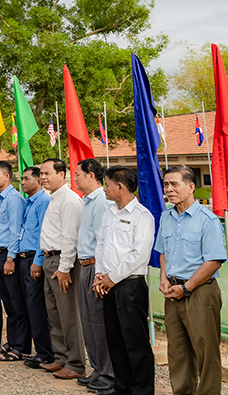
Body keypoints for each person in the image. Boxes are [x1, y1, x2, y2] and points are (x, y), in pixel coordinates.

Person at [156, 165, 226, 395]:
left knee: (205, 352)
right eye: (166, 184)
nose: (169, 189)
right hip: (173, 292)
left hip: (200, 293)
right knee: (177, 351)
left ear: (191, 186)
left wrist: (186, 288)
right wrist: (164, 277)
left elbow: (214, 260)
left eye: (174, 184)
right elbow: (163, 251)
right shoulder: (166, 217)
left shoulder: (207, 220)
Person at [94, 165, 155, 395]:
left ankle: (141, 390)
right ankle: (122, 388)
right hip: (107, 284)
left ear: (120, 187)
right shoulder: (109, 212)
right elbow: (101, 245)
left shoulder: (142, 216)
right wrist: (101, 275)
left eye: (107, 185)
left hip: (129, 286)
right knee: (116, 340)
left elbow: (139, 254)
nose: (105, 189)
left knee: (135, 342)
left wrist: (111, 277)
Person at [39, 158, 84, 379]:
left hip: (62, 262)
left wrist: (65, 268)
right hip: (50, 260)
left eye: (47, 173)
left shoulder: (69, 200)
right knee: (54, 313)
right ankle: (61, 358)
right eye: (42, 174)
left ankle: (76, 363)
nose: (43, 177)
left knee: (68, 315)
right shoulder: (53, 199)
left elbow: (71, 238)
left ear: (62, 174)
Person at [74, 159, 114, 390]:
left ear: (91, 175)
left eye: (78, 174)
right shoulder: (87, 202)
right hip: (85, 265)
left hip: (96, 267)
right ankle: (98, 370)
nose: (76, 177)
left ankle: (109, 374)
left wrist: (101, 273)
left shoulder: (101, 202)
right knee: (88, 322)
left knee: (99, 323)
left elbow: (104, 242)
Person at [0, 161, 26, 361]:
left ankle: (21, 346)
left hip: (9, 256)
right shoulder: (0, 199)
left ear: (6, 176)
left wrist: (11, 258)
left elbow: (15, 231)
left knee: (17, 304)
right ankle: (11, 341)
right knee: (8, 304)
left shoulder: (14, 199)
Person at [16, 166, 53, 370]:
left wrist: (38, 262)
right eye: (21, 178)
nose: (22, 182)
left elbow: (43, 235)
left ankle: (45, 353)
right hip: (24, 258)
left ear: (38, 181)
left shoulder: (43, 202)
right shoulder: (29, 202)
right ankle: (37, 350)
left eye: (26, 178)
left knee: (38, 308)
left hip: (34, 259)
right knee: (29, 307)